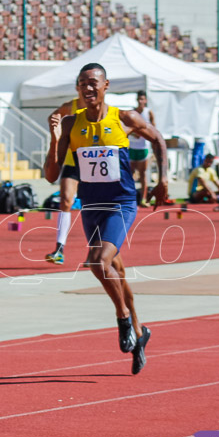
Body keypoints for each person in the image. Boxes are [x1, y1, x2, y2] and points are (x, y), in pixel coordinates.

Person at [45, 63, 168, 375]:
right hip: (92, 206)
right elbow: (50, 176)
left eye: (93, 83)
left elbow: (158, 140)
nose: (87, 89)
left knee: (99, 262)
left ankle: (123, 318)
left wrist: (162, 179)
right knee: (116, 271)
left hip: (121, 203)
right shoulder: (72, 123)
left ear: (105, 86)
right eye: (82, 84)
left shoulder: (124, 118)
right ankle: (140, 333)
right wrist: (54, 137)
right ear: (77, 89)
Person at [43, 92, 83, 265]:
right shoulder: (70, 106)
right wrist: (57, 132)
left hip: (92, 162)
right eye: (82, 85)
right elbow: (53, 116)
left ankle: (95, 249)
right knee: (65, 200)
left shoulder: (100, 108)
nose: (87, 90)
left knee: (92, 206)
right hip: (72, 161)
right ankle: (59, 249)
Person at [128, 90, 156, 207]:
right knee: (130, 174)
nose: (140, 101)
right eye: (139, 99)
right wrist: (134, 133)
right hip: (132, 147)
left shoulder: (148, 113)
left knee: (143, 174)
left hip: (143, 148)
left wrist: (144, 134)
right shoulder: (132, 112)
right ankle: (130, 199)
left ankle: (143, 199)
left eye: (142, 99)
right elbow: (127, 127)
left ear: (145, 100)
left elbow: (154, 130)